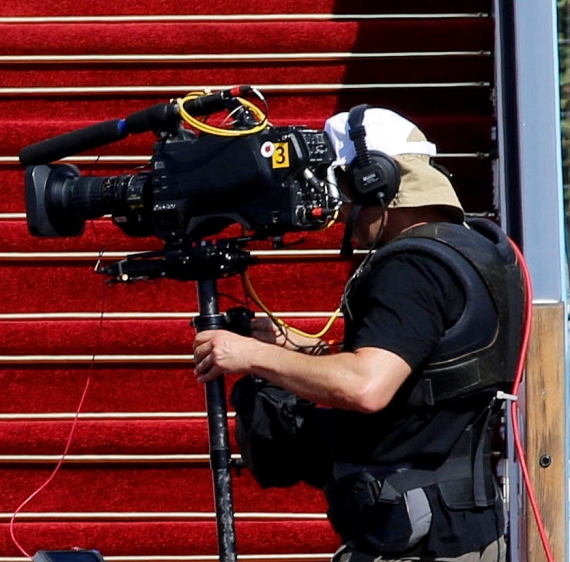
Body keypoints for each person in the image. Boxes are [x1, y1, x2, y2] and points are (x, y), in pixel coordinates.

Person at [192, 106, 523, 562]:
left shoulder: (411, 267)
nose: (340, 210)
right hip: (462, 530)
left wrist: (249, 355)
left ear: (374, 181)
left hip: (416, 540)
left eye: (343, 189)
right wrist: (300, 349)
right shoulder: (474, 249)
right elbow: (433, 364)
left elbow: (366, 387)